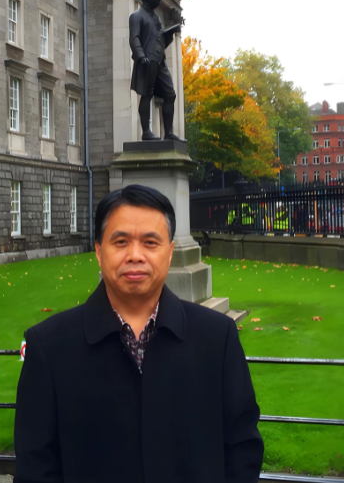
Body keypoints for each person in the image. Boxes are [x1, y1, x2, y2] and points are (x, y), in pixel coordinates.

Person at [14, 184, 263, 483]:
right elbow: (36, 466)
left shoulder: (217, 337)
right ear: (99, 251)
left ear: (169, 252)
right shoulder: (49, 346)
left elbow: (242, 448)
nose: (135, 255)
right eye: (120, 242)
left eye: (150, 242)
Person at [129, 0, 184, 142]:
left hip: (160, 61)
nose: (159, 2)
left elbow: (158, 38)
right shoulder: (136, 16)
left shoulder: (155, 17)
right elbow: (134, 38)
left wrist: (169, 34)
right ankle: (146, 132)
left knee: (170, 94)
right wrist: (141, 56)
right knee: (147, 95)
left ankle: (169, 133)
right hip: (147, 61)